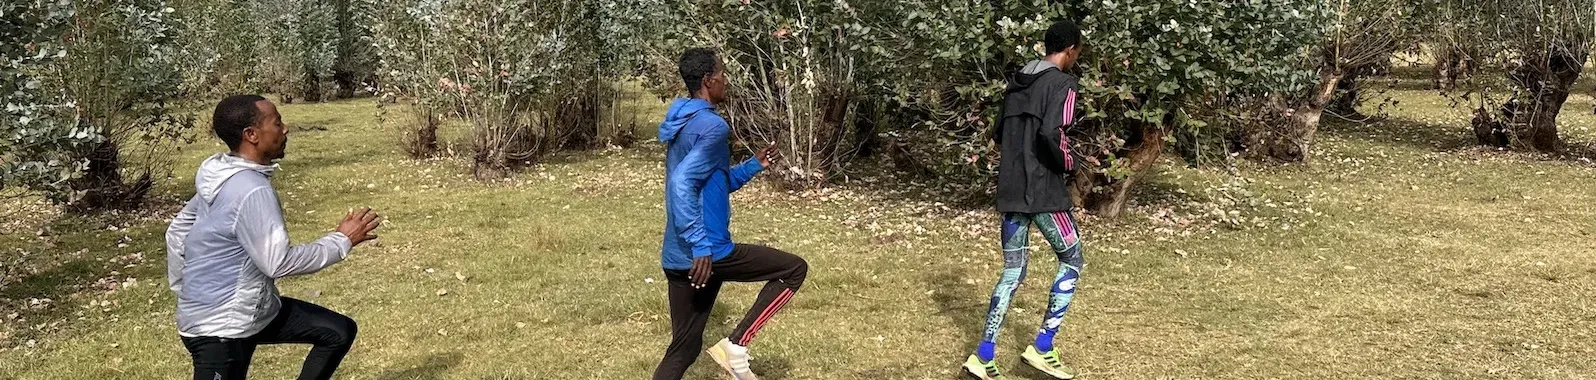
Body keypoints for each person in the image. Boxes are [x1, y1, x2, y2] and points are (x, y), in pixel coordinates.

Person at [165, 95, 381, 380]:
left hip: (256, 313)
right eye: (277, 123)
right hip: (219, 329)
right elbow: (277, 263)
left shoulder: (220, 174)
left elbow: (177, 231)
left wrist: (187, 291)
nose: (285, 129)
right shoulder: (251, 189)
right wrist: (342, 240)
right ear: (251, 135)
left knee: (337, 332)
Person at [653, 48, 810, 380]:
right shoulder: (712, 126)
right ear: (709, 80)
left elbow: (713, 184)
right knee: (794, 268)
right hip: (707, 255)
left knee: (684, 348)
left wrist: (754, 165)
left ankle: (733, 347)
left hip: (676, 258)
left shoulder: (685, 120)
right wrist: (700, 245)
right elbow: (681, 185)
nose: (726, 80)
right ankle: (737, 345)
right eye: (722, 74)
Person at [963, 20, 1086, 380]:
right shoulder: (1064, 84)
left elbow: (1000, 134)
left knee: (1013, 271)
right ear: (1070, 50)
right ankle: (1043, 347)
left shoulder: (1015, 84)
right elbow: (1053, 132)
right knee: (1073, 259)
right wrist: (1071, 163)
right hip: (1045, 193)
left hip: (1011, 192)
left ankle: (983, 355)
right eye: (1078, 52)